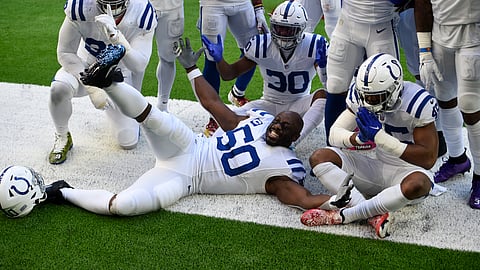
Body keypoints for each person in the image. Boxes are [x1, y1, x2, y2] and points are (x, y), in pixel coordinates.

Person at [23, 40, 355, 218]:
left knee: (124, 206)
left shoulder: (287, 169)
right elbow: (213, 104)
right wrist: (192, 68)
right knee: (153, 118)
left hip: (187, 180)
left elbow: (304, 198)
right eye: (278, 121)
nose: (277, 126)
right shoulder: (255, 121)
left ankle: (61, 191)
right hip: (191, 147)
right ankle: (108, 81)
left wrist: (336, 201)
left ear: (294, 137)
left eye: (285, 127)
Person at [300, 53, 440, 238]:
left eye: (376, 97)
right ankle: (371, 214)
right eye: (365, 96)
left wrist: (380, 138)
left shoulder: (416, 103)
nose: (368, 102)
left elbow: (428, 159)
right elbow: (334, 134)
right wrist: (359, 139)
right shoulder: (361, 96)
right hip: (376, 166)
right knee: (320, 157)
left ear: (395, 88)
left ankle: (345, 216)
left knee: (418, 185)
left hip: (407, 172)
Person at [202, 0, 328, 145]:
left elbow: (330, 86)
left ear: (302, 29)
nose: (282, 34)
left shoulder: (314, 45)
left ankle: (293, 142)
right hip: (268, 104)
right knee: (229, 117)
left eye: (288, 30)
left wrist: (323, 69)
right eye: (279, 28)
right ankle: (212, 148)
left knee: (323, 96)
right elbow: (228, 74)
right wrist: (219, 59)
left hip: (299, 106)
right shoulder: (261, 45)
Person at [48, 0, 157, 164]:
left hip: (119, 72)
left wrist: (118, 38)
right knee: (59, 89)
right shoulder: (81, 7)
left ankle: (118, 109)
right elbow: (65, 52)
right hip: (86, 63)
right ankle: (62, 135)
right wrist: (92, 87)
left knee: (128, 141)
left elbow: (139, 65)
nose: (112, 6)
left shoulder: (142, 12)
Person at [414, 0, 479, 209]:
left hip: (473, 33)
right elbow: (422, 2)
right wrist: (425, 51)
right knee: (444, 97)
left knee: (470, 105)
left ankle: (479, 177)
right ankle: (457, 157)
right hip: (440, 33)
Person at [323, 0, 400, 149]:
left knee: (387, 88)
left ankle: (388, 151)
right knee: (335, 85)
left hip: (381, 24)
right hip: (346, 23)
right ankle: (332, 150)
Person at [198, 0, 269, 137]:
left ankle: (237, 93)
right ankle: (215, 117)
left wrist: (258, 7)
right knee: (212, 58)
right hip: (214, 4)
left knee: (252, 51)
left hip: (243, 2)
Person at [395, 0, 446, 157]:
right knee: (426, 74)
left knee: (427, 75)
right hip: (409, 13)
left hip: (415, 12)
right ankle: (436, 133)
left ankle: (437, 135)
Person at [150, 0, 184, 112]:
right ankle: (132, 106)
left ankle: (162, 105)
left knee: (168, 57)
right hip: (141, 6)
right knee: (134, 56)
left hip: (172, 7)